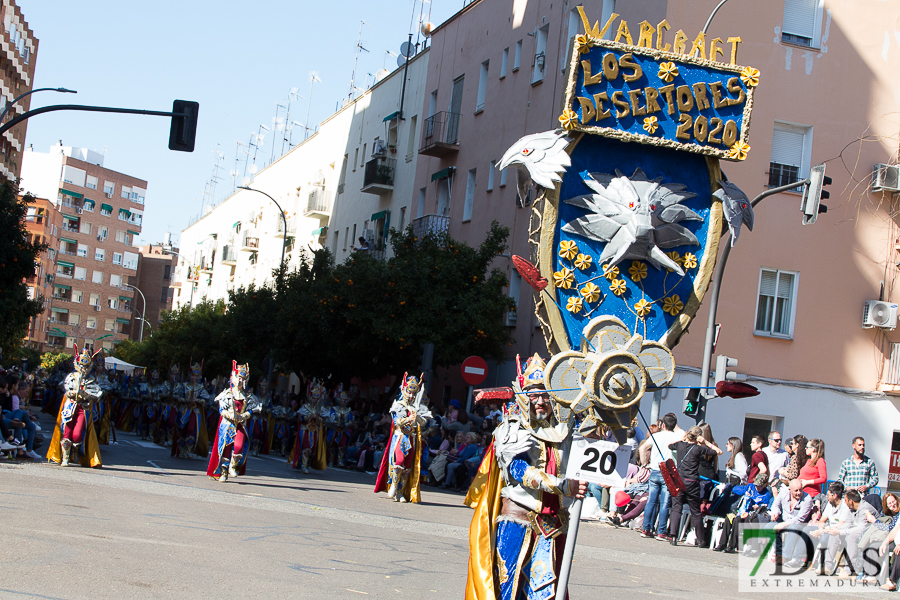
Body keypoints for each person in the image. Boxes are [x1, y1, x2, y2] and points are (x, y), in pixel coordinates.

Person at [464, 354, 587, 599]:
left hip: (552, 527)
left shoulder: (565, 429)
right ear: (522, 395)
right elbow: (518, 470)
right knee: (507, 589)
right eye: (533, 395)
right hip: (517, 522)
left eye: (545, 395)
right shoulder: (511, 427)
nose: (540, 402)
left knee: (545, 593)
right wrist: (563, 486)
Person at [374, 373, 433, 503]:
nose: (411, 396)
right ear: (404, 390)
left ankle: (400, 492)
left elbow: (424, 422)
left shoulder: (418, 406)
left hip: (412, 438)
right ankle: (394, 485)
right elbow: (397, 421)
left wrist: (417, 418)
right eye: (409, 392)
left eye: (414, 393)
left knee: (407, 466)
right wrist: (408, 418)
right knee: (399, 462)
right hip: (400, 437)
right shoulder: (399, 404)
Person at [46, 346, 103, 468]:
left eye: (86, 366)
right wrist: (69, 392)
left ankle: (76, 451)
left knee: (77, 434)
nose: (83, 368)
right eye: (82, 365)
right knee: (66, 432)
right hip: (70, 407)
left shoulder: (91, 380)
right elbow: (63, 386)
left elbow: (98, 393)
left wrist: (87, 394)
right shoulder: (71, 376)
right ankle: (65, 457)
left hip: (83, 407)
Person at [667, 426, 723, 546]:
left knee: (677, 508)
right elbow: (719, 452)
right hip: (692, 482)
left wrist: (683, 439)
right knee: (695, 511)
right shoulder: (698, 449)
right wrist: (706, 442)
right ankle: (701, 539)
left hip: (678, 480)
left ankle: (673, 536)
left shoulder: (680, 445)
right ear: (698, 437)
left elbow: (669, 445)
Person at [206, 361, 262, 482]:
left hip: (241, 424)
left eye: (244, 379)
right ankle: (223, 472)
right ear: (234, 378)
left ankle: (233, 465)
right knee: (226, 448)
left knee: (239, 447)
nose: (241, 381)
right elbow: (221, 409)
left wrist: (246, 415)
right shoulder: (227, 394)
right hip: (228, 424)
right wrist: (229, 414)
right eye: (239, 378)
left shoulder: (248, 396)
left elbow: (254, 409)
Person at [783, 481, 848, 568]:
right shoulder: (830, 503)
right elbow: (822, 520)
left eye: (828, 495)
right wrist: (820, 530)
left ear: (835, 495)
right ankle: (797, 559)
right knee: (806, 530)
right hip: (827, 528)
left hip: (837, 531)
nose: (826, 497)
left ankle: (824, 563)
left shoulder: (844, 506)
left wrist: (822, 532)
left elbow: (841, 524)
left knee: (824, 539)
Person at [641, 413, 683, 540]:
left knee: (651, 501)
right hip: (669, 473)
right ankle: (661, 531)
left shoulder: (656, 436)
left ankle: (646, 528)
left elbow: (642, 448)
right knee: (665, 503)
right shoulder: (677, 438)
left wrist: (644, 464)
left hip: (654, 469)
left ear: (662, 425)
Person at [715, 472, 773, 553]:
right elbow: (735, 489)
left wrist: (757, 506)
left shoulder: (766, 494)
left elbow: (763, 508)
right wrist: (744, 492)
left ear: (765, 485)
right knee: (728, 518)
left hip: (751, 514)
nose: (757, 488)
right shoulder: (751, 487)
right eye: (756, 485)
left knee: (737, 520)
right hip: (741, 510)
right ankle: (722, 544)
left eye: (760, 486)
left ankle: (732, 546)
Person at [761, 479, 814, 562]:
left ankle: (786, 556)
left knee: (793, 527)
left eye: (800, 490)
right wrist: (776, 513)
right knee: (769, 527)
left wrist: (784, 524)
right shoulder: (784, 492)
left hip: (799, 524)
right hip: (784, 520)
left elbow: (800, 519)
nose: (799, 492)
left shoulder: (807, 499)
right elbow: (775, 505)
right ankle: (779, 551)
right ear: (790, 489)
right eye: (796, 490)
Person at [172, 361, 210, 459]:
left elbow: (207, 399)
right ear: (190, 375)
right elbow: (176, 395)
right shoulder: (184, 386)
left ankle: (189, 450)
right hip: (184, 409)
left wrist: (197, 400)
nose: (194, 378)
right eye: (193, 375)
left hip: (194, 411)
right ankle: (181, 450)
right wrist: (184, 399)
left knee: (190, 429)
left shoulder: (200, 388)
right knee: (182, 430)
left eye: (196, 376)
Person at [290, 379, 328, 473]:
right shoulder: (305, 407)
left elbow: (326, 420)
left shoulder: (321, 409)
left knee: (312, 450)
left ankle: (305, 464)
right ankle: (304, 465)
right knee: (306, 448)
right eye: (314, 398)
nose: (315, 401)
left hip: (315, 430)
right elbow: (300, 417)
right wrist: (310, 416)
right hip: (305, 429)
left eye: (317, 399)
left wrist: (319, 418)